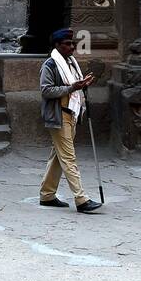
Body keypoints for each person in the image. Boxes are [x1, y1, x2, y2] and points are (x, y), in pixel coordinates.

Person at [39, 29, 101, 213]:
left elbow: (74, 86)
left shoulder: (71, 63)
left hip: (71, 113)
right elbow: (46, 91)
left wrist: (82, 85)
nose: (72, 47)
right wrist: (72, 87)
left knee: (58, 157)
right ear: (57, 46)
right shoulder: (50, 65)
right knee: (68, 157)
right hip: (59, 115)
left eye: (72, 43)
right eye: (67, 43)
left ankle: (47, 195)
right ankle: (81, 199)